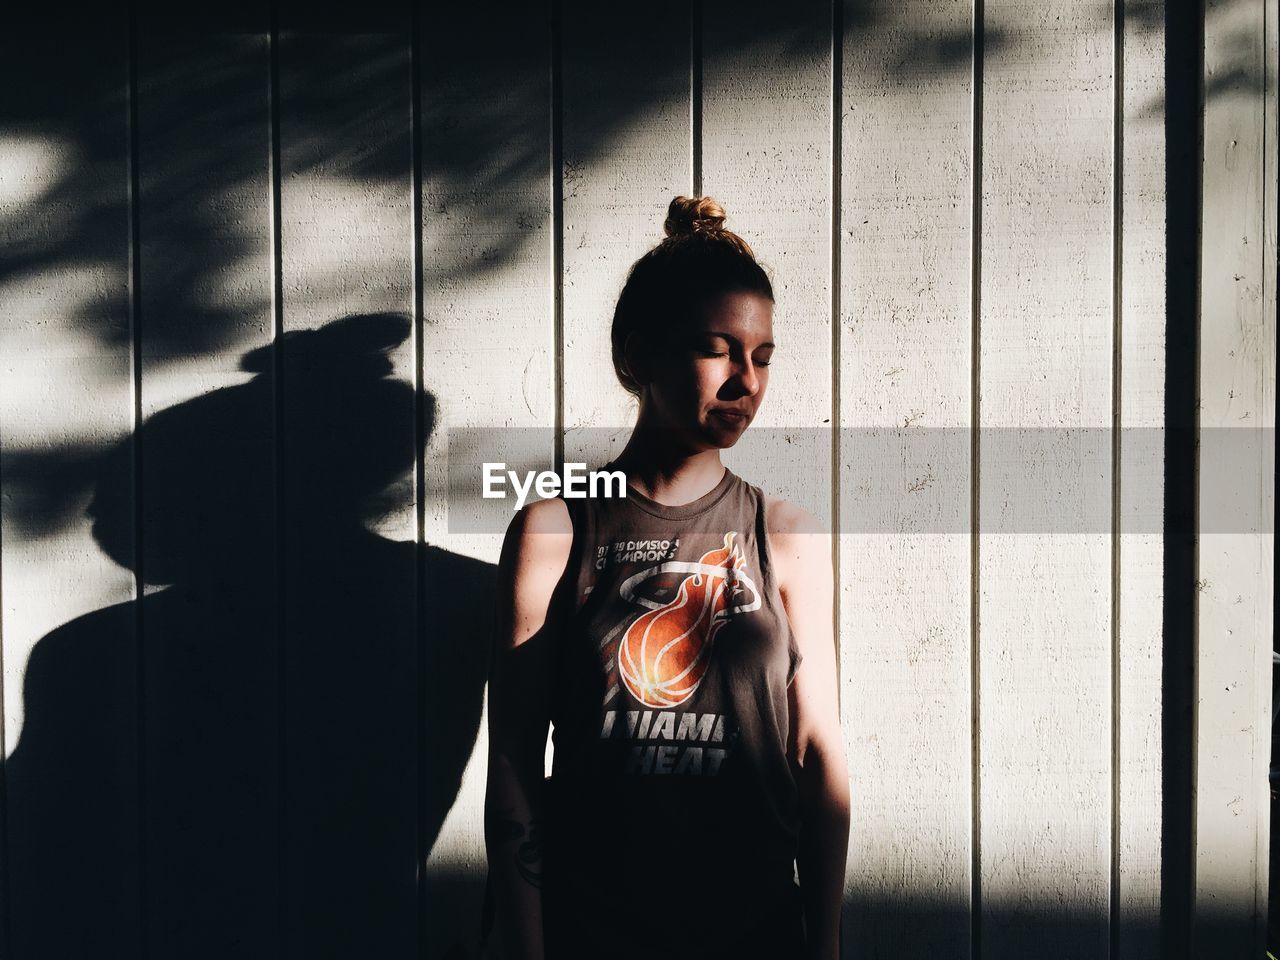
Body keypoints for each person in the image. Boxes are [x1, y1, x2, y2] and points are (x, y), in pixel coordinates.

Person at [484, 196, 850, 959]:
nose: (746, 381)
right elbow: (514, 759)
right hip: (594, 938)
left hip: (756, 940)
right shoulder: (556, 529)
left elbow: (817, 753)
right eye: (718, 350)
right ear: (637, 356)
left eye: (763, 356)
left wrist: (825, 947)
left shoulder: (785, 535)